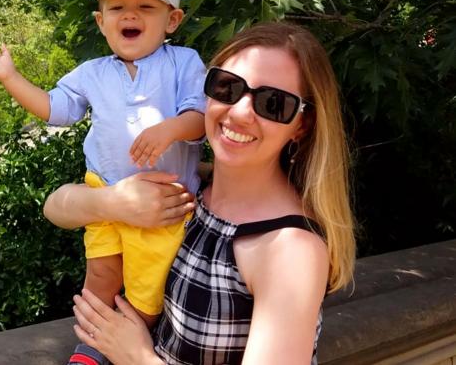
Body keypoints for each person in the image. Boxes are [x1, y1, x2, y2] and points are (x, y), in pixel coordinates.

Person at [45, 22, 356, 364]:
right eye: (227, 86)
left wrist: (136, 356)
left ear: (301, 124)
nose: (239, 112)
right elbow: (55, 207)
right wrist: (110, 202)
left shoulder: (289, 249)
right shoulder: (196, 190)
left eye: (273, 103)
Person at [0, 0, 207, 364]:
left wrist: (171, 128)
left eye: (145, 7)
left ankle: (130, 342)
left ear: (172, 20)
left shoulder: (183, 62)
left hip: (164, 203)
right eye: (117, 7)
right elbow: (56, 109)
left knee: (147, 284)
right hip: (104, 194)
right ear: (101, 22)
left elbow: (202, 115)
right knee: (100, 273)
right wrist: (11, 78)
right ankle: (89, 349)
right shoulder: (92, 73)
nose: (129, 15)